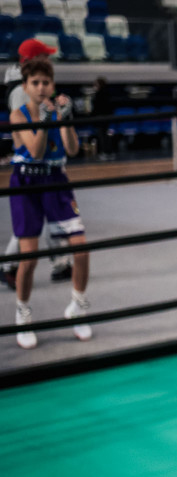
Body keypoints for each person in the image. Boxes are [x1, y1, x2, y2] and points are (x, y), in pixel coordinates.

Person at [10, 57, 91, 349]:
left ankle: (78, 307)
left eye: (46, 82)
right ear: (26, 86)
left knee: (81, 249)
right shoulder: (17, 115)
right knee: (28, 258)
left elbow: (72, 149)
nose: (42, 88)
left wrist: (65, 119)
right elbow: (36, 149)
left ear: (53, 85)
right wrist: (45, 122)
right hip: (27, 185)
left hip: (57, 182)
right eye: (36, 83)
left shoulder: (58, 111)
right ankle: (23, 313)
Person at [2, 38, 70, 288]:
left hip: (43, 157)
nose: (50, 60)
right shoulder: (23, 91)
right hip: (33, 161)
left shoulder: (29, 84)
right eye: (45, 56)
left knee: (45, 214)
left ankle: (60, 262)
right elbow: (28, 129)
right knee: (33, 219)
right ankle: (10, 264)